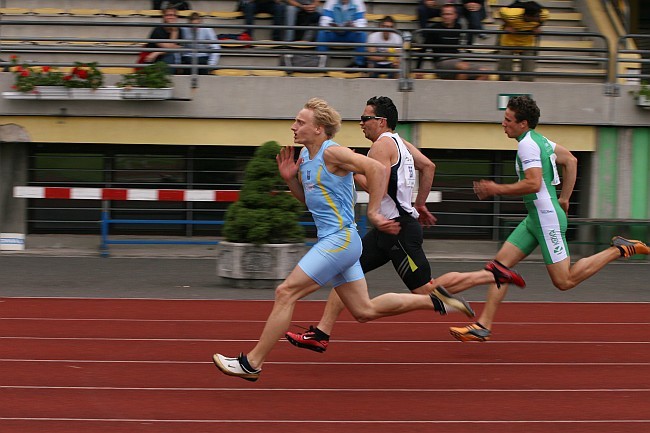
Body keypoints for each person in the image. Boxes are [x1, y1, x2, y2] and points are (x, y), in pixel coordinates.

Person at [212, 98, 474, 381]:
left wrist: (373, 211)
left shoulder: (332, 153)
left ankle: (252, 363)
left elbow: (377, 169)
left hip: (339, 241)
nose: (293, 126)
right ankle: (438, 302)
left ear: (319, 128)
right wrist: (290, 179)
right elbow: (310, 202)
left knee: (285, 293)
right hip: (338, 242)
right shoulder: (306, 160)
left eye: (300, 122)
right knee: (364, 310)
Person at [447, 95, 650, 342]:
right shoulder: (540, 140)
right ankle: (483, 325)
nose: (503, 123)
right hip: (536, 218)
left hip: (546, 219)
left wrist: (495, 188)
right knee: (499, 269)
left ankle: (619, 249)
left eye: (508, 119)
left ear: (523, 123)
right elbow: (571, 161)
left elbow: (533, 183)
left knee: (564, 281)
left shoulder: (527, 145)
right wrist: (564, 199)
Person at [284, 95, 477, 353]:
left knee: (424, 289)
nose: (361, 123)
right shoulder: (401, 143)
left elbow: (379, 181)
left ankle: (482, 278)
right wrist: (419, 203)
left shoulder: (379, 147)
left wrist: (351, 172)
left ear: (381, 121)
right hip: (389, 228)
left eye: (366, 118)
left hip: (397, 229)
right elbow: (428, 166)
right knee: (345, 273)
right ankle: (321, 332)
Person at [418, 3, 488, 80]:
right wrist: (418, 69)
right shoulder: (434, 29)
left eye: (449, 14)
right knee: (463, 68)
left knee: (485, 72)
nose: (446, 17)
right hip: (441, 62)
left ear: (455, 15)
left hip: (457, 60)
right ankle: (458, 91)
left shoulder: (458, 27)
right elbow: (423, 49)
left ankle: (469, 92)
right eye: (444, 14)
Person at [497, 0, 548, 81]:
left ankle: (525, 87)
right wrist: (506, 25)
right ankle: (504, 86)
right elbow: (501, 12)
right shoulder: (511, 15)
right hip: (509, 41)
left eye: (538, 16)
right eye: (535, 17)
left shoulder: (543, 15)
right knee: (504, 70)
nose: (537, 18)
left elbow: (542, 20)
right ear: (527, 16)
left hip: (527, 42)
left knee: (528, 72)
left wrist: (537, 26)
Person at [316, 0, 368, 68]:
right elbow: (324, 21)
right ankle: (321, 63)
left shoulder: (358, 2)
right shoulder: (331, 2)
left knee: (362, 35)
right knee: (322, 33)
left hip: (350, 33)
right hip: (334, 33)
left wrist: (354, 26)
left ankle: (359, 63)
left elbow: (361, 22)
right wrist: (331, 26)